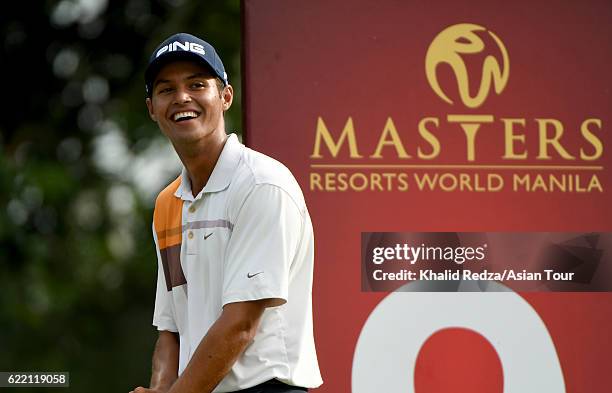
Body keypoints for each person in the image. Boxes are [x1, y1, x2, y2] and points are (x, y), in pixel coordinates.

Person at [129, 33, 322, 393]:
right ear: (152, 108)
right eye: (166, 89)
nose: (182, 97)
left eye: (197, 84)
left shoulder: (262, 183)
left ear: (225, 97)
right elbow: (171, 329)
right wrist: (159, 388)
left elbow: (240, 325)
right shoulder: (168, 202)